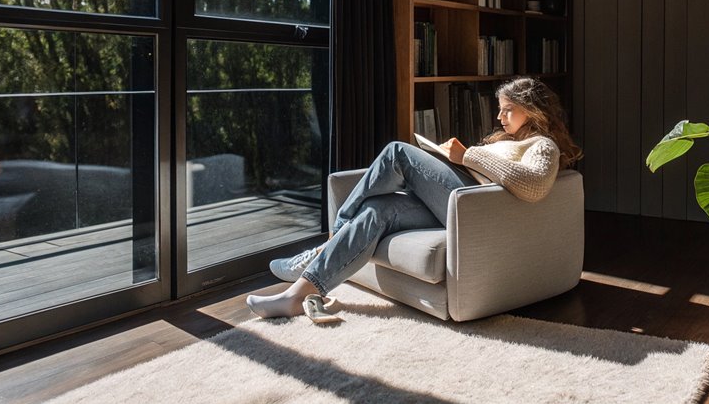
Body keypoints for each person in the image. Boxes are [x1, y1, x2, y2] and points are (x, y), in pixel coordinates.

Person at [246, 77, 582, 320]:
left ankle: (334, 233)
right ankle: (299, 294)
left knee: (396, 153)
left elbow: (534, 186)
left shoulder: (543, 146)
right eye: (500, 110)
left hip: (475, 209)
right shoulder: (504, 139)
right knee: (377, 209)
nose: (499, 117)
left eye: (508, 110)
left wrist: (468, 157)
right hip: (457, 204)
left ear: (534, 111)